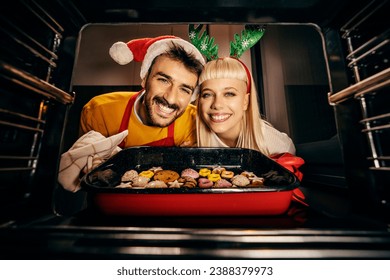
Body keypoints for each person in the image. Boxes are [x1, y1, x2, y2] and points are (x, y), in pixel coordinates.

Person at [79, 35, 205, 148]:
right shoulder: (99, 111)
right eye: (163, 80)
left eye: (184, 89)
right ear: (145, 79)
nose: (171, 98)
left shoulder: (195, 122)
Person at [196, 56, 296, 156]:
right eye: (207, 94)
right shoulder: (189, 136)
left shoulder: (277, 146)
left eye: (229, 94)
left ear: (245, 101)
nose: (217, 104)